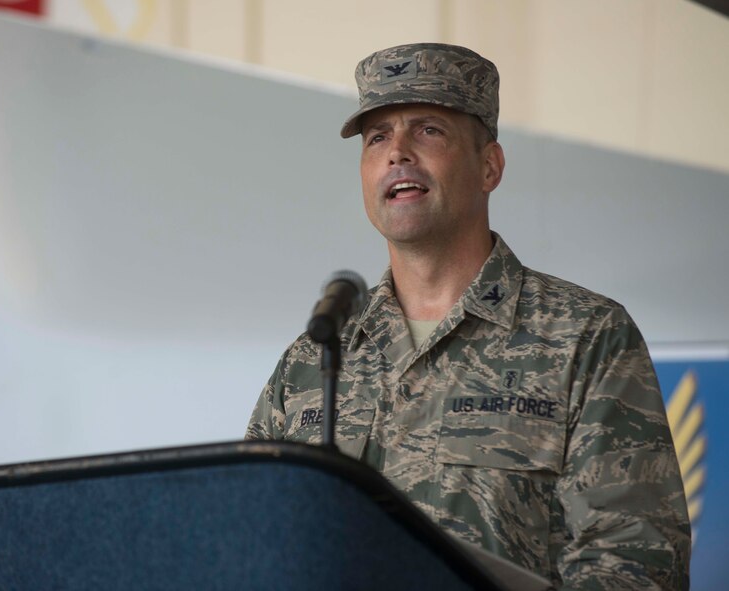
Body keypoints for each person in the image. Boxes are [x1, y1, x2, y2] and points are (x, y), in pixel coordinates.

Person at [246, 43, 691, 590]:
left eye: (428, 130)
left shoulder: (584, 335)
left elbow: (639, 564)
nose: (397, 153)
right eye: (377, 137)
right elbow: (250, 541)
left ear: (489, 166)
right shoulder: (316, 357)